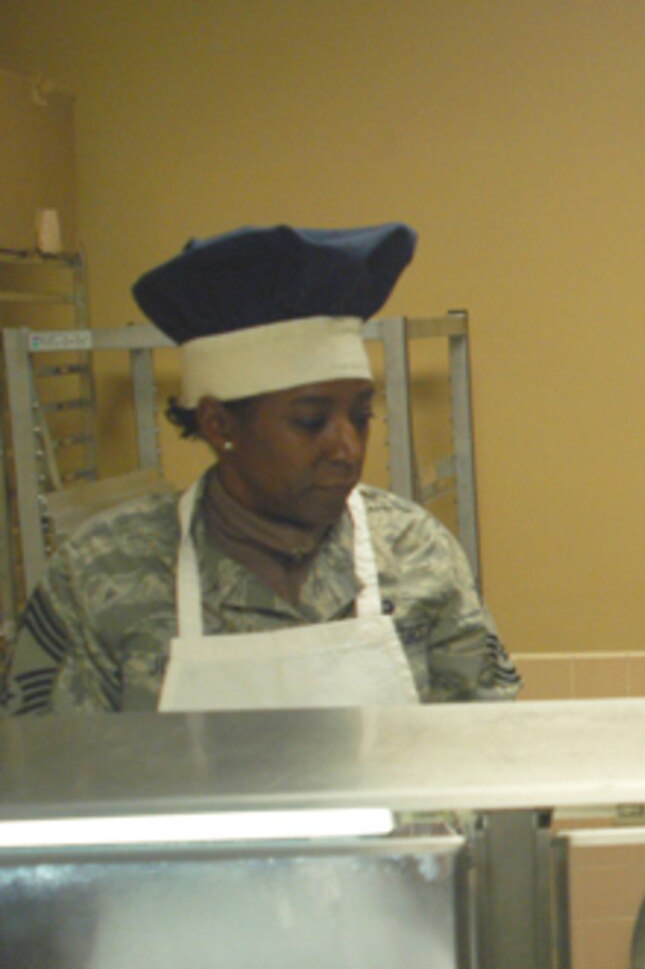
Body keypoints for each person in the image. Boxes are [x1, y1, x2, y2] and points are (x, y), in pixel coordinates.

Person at [1, 222, 520, 714]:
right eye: (312, 421)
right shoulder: (101, 574)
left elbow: (493, 757)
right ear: (220, 423)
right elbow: (44, 781)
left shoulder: (414, 551)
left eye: (361, 416)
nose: (347, 447)